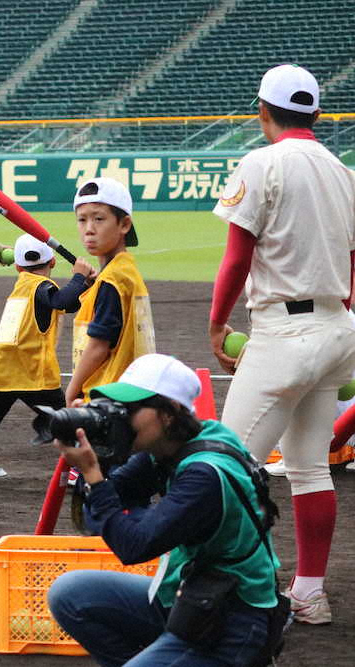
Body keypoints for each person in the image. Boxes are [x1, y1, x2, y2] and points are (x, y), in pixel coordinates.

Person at [207, 64, 355, 624]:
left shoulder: (262, 161)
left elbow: (237, 256)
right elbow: (354, 262)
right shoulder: (344, 172)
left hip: (285, 331)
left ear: (261, 110)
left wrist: (217, 324)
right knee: (309, 466)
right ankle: (310, 593)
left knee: (221, 464)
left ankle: (227, 590)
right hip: (338, 329)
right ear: (317, 114)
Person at [48, 354, 282, 666]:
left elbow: (133, 545)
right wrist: (101, 454)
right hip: (190, 598)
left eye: (129, 410)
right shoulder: (171, 446)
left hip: (232, 620)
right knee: (70, 593)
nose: (120, 418)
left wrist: (95, 478)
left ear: (170, 413)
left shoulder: (205, 473)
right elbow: (102, 517)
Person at [0, 235, 94, 488]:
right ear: (53, 262)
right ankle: (79, 470)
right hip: (33, 373)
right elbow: (61, 301)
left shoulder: (23, 284)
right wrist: (78, 277)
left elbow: (65, 303)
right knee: (67, 421)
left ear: (18, 267)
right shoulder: (42, 287)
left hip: (0, 370)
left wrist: (84, 284)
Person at [66, 177, 154, 406]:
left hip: (108, 396)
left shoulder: (112, 279)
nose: (89, 229)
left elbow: (98, 346)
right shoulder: (125, 270)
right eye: (82, 220)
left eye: (99, 219)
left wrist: (72, 390)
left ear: (124, 225)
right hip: (134, 391)